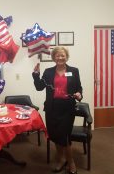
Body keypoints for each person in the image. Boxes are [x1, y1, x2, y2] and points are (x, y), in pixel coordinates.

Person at [32, 46, 82, 174]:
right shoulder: (48, 72)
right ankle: (60, 160)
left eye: (62, 55)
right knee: (55, 136)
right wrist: (36, 75)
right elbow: (39, 87)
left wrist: (79, 95)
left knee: (64, 137)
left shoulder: (74, 71)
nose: (60, 57)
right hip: (52, 109)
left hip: (67, 109)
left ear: (66, 57)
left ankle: (71, 162)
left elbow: (79, 88)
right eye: (57, 55)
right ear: (54, 57)